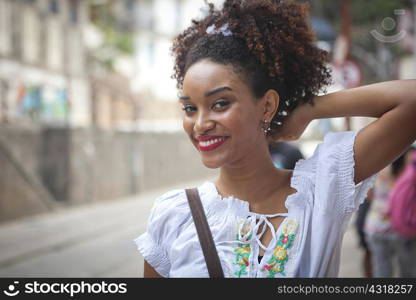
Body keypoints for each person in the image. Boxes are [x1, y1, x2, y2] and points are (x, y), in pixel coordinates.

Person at [134, 0, 416, 278]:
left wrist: (309, 110)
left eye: (220, 103)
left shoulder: (322, 189)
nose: (200, 124)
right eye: (190, 108)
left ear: (267, 105)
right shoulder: (174, 215)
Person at [364, 147, 416, 277]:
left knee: (381, 270)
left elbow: (369, 194)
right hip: (401, 226)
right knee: (408, 271)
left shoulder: (378, 165)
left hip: (374, 225)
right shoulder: (410, 165)